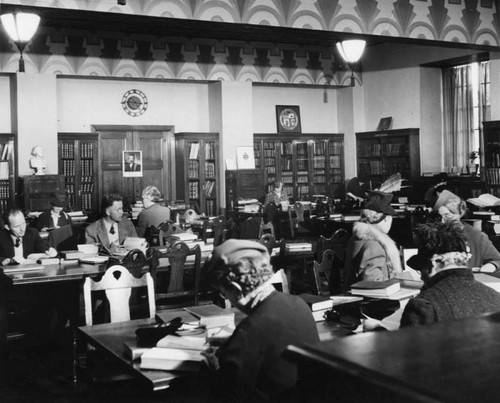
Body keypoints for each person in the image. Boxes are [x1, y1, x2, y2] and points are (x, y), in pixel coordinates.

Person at [199, 239, 319, 401]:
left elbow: (228, 396)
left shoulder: (250, 330)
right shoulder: (299, 303)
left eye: (224, 293)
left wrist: (213, 369)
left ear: (236, 288)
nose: (226, 298)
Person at [401, 221, 500, 327]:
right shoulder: (495, 296)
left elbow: (405, 343)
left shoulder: (424, 306)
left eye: (421, 270)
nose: (421, 277)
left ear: (434, 263)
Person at [342, 190, 402, 292]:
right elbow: (374, 285)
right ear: (383, 218)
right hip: (371, 302)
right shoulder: (373, 246)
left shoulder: (356, 238)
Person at [433, 189, 500, 272]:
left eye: (447, 216)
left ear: (460, 213)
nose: (442, 221)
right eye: (440, 217)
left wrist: (490, 266)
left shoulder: (477, 236)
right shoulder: (434, 234)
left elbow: (497, 260)